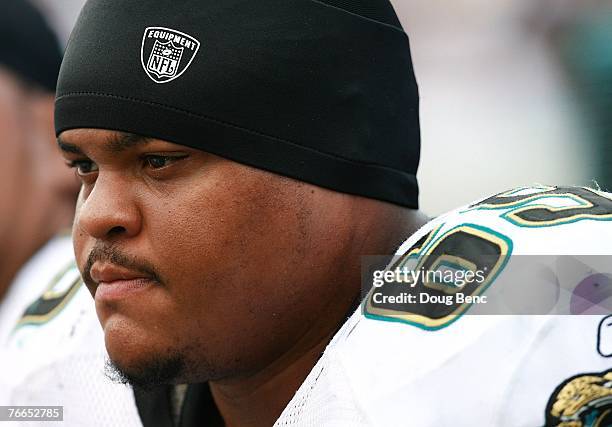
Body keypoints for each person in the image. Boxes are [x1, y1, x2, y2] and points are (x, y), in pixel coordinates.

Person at [53, 0, 612, 425]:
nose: (98, 216)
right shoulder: (52, 368)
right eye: (84, 169)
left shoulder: (534, 294)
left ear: (334, 163)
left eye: (160, 161)